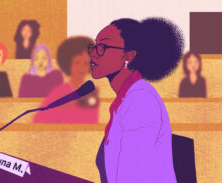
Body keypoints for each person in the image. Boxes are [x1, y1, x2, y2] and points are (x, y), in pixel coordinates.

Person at [90, 18, 184, 182]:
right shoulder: (127, 99)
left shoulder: (141, 100)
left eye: (102, 47)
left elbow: (131, 176)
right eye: (94, 46)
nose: (92, 53)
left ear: (128, 56)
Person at [33, 36, 99, 123]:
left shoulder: (91, 93)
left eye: (86, 63)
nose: (81, 67)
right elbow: (39, 120)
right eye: (77, 62)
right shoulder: (59, 92)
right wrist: (61, 109)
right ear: (68, 63)